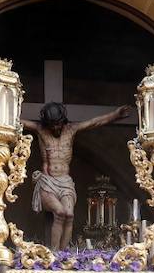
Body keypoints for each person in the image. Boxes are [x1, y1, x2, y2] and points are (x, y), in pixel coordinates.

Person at [22, 101, 131, 249]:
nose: (55, 128)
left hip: (65, 182)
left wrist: (116, 115)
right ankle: (54, 254)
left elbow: (94, 122)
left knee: (69, 215)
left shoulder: (71, 130)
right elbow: (18, 122)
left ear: (63, 121)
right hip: (48, 182)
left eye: (58, 124)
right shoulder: (41, 130)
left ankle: (63, 253)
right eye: (52, 125)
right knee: (60, 212)